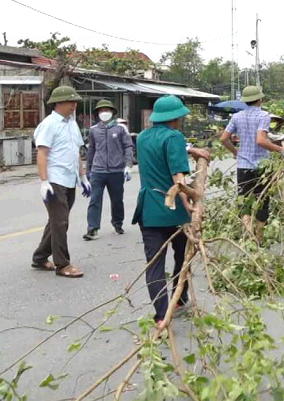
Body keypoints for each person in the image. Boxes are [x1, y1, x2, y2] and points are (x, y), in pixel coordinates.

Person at [132, 96, 209, 327]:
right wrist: (188, 201)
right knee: (183, 256)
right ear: (175, 117)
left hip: (148, 210)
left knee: (154, 264)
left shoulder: (143, 137)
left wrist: (190, 148)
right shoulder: (175, 136)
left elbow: (160, 147)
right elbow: (179, 179)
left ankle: (160, 315)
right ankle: (180, 296)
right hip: (173, 212)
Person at [31, 86, 91, 279]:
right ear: (58, 103)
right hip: (55, 179)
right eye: (70, 101)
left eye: (75, 102)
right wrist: (44, 181)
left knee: (57, 221)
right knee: (60, 222)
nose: (74, 105)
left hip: (69, 179)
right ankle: (62, 264)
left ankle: (40, 257)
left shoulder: (72, 124)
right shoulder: (49, 124)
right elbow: (42, 153)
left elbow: (76, 153)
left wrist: (83, 177)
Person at [220, 86, 284, 243]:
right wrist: (282, 150)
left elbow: (224, 138)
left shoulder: (236, 117)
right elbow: (260, 140)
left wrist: (235, 152)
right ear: (259, 99)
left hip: (243, 166)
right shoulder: (264, 115)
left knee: (245, 200)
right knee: (262, 201)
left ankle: (248, 234)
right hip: (262, 167)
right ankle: (258, 238)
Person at [84, 99, 134, 240]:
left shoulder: (120, 129)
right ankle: (92, 228)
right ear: (97, 113)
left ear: (112, 112)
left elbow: (128, 147)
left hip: (116, 171)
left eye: (107, 110)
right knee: (94, 200)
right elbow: (91, 150)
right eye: (101, 111)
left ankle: (117, 223)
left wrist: (128, 166)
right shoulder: (94, 130)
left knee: (117, 200)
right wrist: (88, 170)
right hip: (98, 171)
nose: (104, 113)